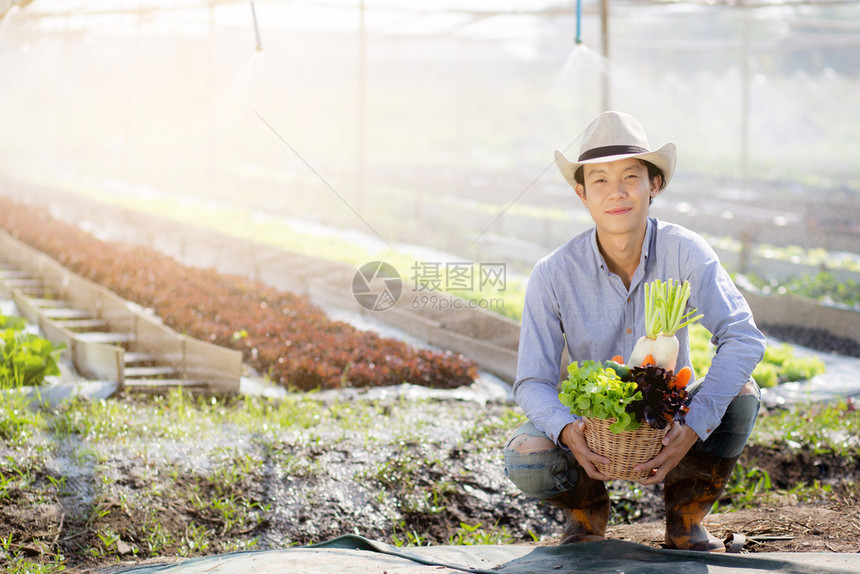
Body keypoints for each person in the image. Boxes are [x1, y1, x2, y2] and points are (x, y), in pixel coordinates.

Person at [503, 111, 766, 552]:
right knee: (526, 457)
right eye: (600, 180)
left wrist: (694, 425)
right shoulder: (553, 273)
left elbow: (744, 337)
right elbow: (532, 380)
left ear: (654, 185)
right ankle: (586, 513)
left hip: (671, 425)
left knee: (741, 392)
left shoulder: (685, 252)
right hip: (594, 435)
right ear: (581, 193)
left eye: (631, 175)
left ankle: (686, 520)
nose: (617, 191)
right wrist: (569, 430)